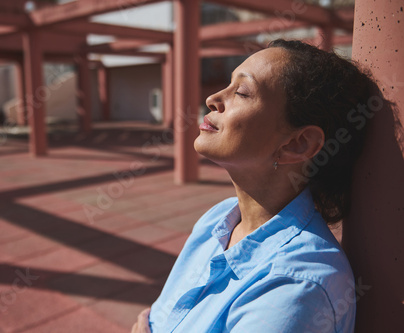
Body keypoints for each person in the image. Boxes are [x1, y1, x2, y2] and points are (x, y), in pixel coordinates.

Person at [131, 39, 381, 333]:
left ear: (298, 144)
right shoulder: (218, 219)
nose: (213, 98)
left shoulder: (296, 287)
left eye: (242, 92)